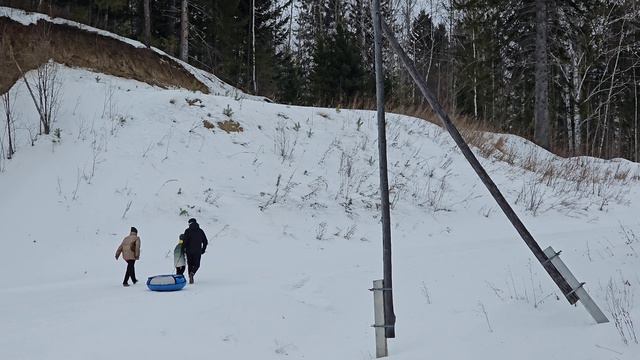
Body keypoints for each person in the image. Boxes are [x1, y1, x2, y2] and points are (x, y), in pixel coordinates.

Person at [182, 218, 208, 284]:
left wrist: (183, 249)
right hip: (197, 251)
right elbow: (205, 241)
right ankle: (192, 273)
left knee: (190, 264)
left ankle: (190, 277)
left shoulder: (187, 231)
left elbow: (184, 241)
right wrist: (203, 249)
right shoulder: (200, 231)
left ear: (190, 223)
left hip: (189, 251)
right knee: (197, 265)